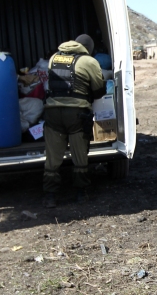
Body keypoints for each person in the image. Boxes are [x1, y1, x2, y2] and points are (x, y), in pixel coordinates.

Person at [42, 34, 106, 208]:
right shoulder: (89, 62)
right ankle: (80, 193)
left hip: (52, 112)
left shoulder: (54, 58)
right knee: (79, 154)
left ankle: (50, 196)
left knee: (53, 157)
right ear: (89, 49)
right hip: (77, 114)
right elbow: (98, 91)